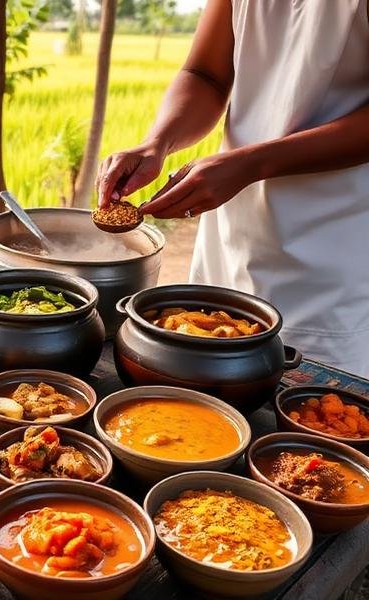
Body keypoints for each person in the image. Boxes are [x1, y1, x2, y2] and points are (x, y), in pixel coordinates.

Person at [96, 0, 369, 376]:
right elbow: (206, 73)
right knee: (205, 370)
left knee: (314, 400)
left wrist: (251, 164)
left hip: (330, 255)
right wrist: (157, 143)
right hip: (230, 234)